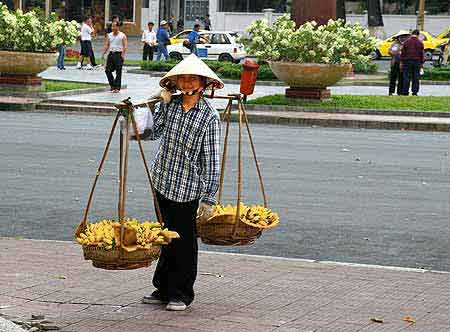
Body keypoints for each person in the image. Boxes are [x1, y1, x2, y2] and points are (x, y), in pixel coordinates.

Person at [140, 54, 223, 311]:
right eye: (182, 78)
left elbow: (211, 160)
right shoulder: (171, 105)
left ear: (203, 83)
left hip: (187, 188)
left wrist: (209, 197)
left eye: (192, 79)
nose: (187, 83)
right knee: (166, 236)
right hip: (163, 179)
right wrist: (156, 103)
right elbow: (151, 133)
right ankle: (162, 287)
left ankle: (181, 293)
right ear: (175, 82)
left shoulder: (209, 117)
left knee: (184, 242)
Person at [101, 21, 128, 93]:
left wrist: (122, 55)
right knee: (107, 70)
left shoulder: (122, 35)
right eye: (112, 26)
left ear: (118, 27)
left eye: (114, 26)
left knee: (118, 71)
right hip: (111, 54)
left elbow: (125, 46)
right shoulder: (109, 35)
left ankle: (117, 87)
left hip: (118, 54)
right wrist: (103, 54)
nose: (112, 28)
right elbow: (107, 45)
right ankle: (112, 85)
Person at [401, 29, 424, 96]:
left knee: (406, 76)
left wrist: (402, 61)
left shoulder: (406, 42)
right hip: (417, 61)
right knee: (416, 77)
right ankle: (415, 92)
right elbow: (421, 54)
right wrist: (422, 63)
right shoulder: (420, 43)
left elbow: (403, 53)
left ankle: (405, 91)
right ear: (418, 34)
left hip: (407, 61)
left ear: (412, 34)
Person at [388, 31, 409, 96]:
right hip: (395, 63)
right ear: (399, 37)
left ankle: (399, 92)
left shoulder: (407, 44)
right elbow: (390, 52)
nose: (404, 38)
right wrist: (398, 51)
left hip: (403, 63)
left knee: (401, 78)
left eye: (405, 36)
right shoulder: (395, 43)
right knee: (393, 77)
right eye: (403, 36)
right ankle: (391, 91)